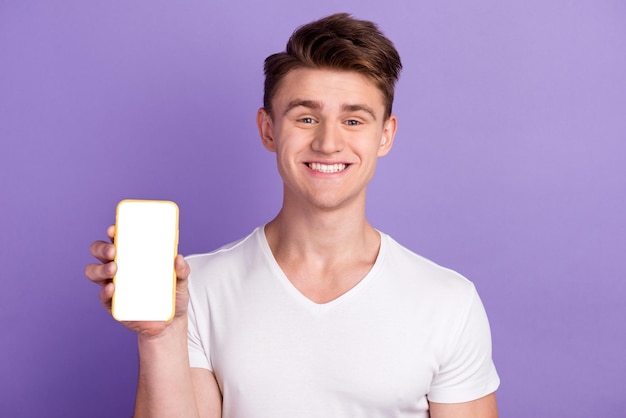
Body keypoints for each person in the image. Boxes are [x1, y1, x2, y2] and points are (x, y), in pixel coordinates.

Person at [86, 13, 499, 417]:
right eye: (306, 118)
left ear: (385, 135)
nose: (328, 142)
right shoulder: (196, 289)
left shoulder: (448, 303)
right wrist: (161, 335)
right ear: (268, 129)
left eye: (353, 120)